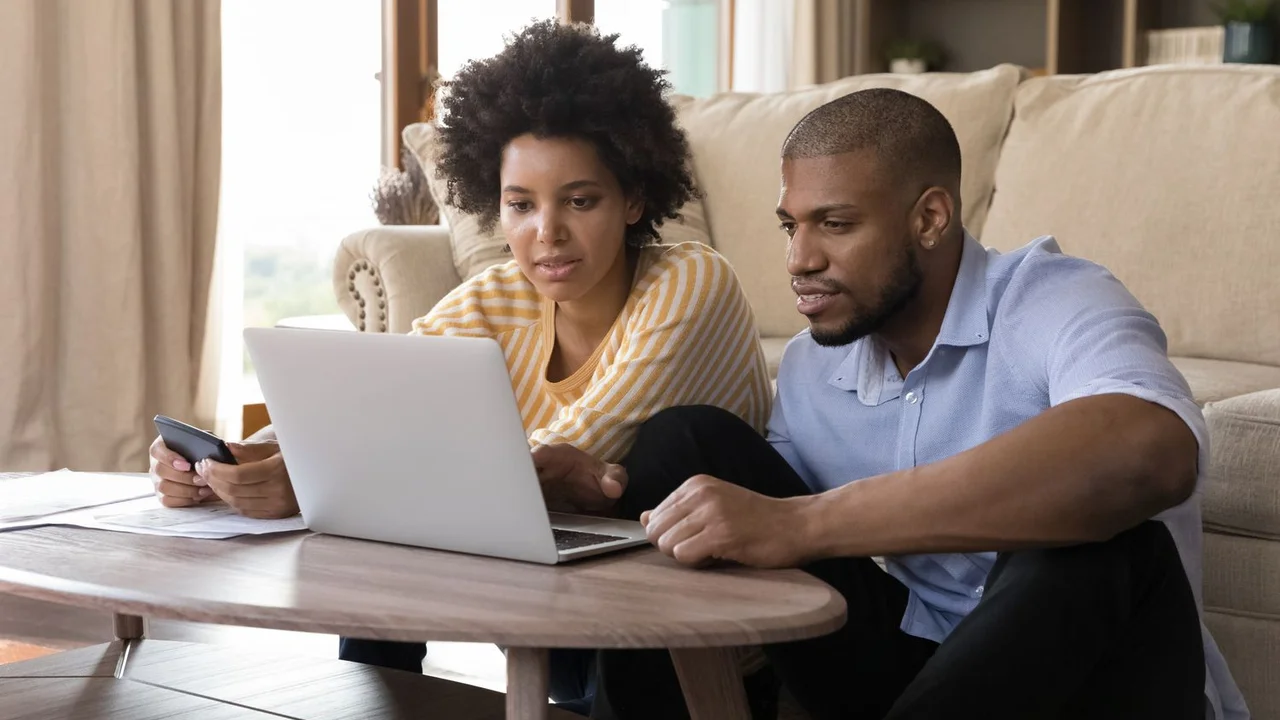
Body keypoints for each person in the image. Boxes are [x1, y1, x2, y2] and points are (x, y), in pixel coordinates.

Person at [147, 20, 774, 716]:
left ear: (633, 199)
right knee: (388, 493)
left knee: (407, 483)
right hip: (556, 617)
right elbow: (373, 397)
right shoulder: (496, 298)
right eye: (520, 205)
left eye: (580, 200)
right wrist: (230, 462)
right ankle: (375, 706)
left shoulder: (692, 281)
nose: (547, 233)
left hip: (699, 653)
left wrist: (314, 477)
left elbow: (579, 442)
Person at [600, 88, 1250, 719]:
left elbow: (1150, 450)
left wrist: (805, 522)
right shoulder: (811, 365)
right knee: (683, 445)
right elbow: (753, 518)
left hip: (1091, 688)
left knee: (1105, 539)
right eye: (790, 226)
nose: (799, 259)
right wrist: (601, 491)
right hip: (919, 672)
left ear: (930, 218)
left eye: (835, 223)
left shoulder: (1055, 299)